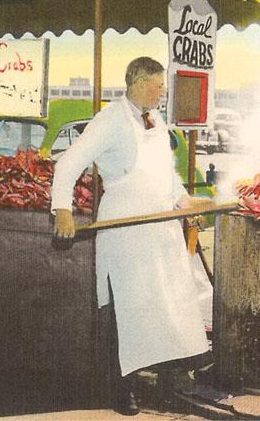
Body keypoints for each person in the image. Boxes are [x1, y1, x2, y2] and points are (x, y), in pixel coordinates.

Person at [51, 57, 212, 415]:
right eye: (158, 84)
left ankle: (168, 385)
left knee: (167, 306)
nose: (163, 91)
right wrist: (62, 209)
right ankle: (121, 390)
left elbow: (166, 174)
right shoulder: (111, 119)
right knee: (127, 311)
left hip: (161, 229)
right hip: (126, 230)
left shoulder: (156, 120)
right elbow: (68, 163)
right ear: (139, 83)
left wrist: (185, 202)